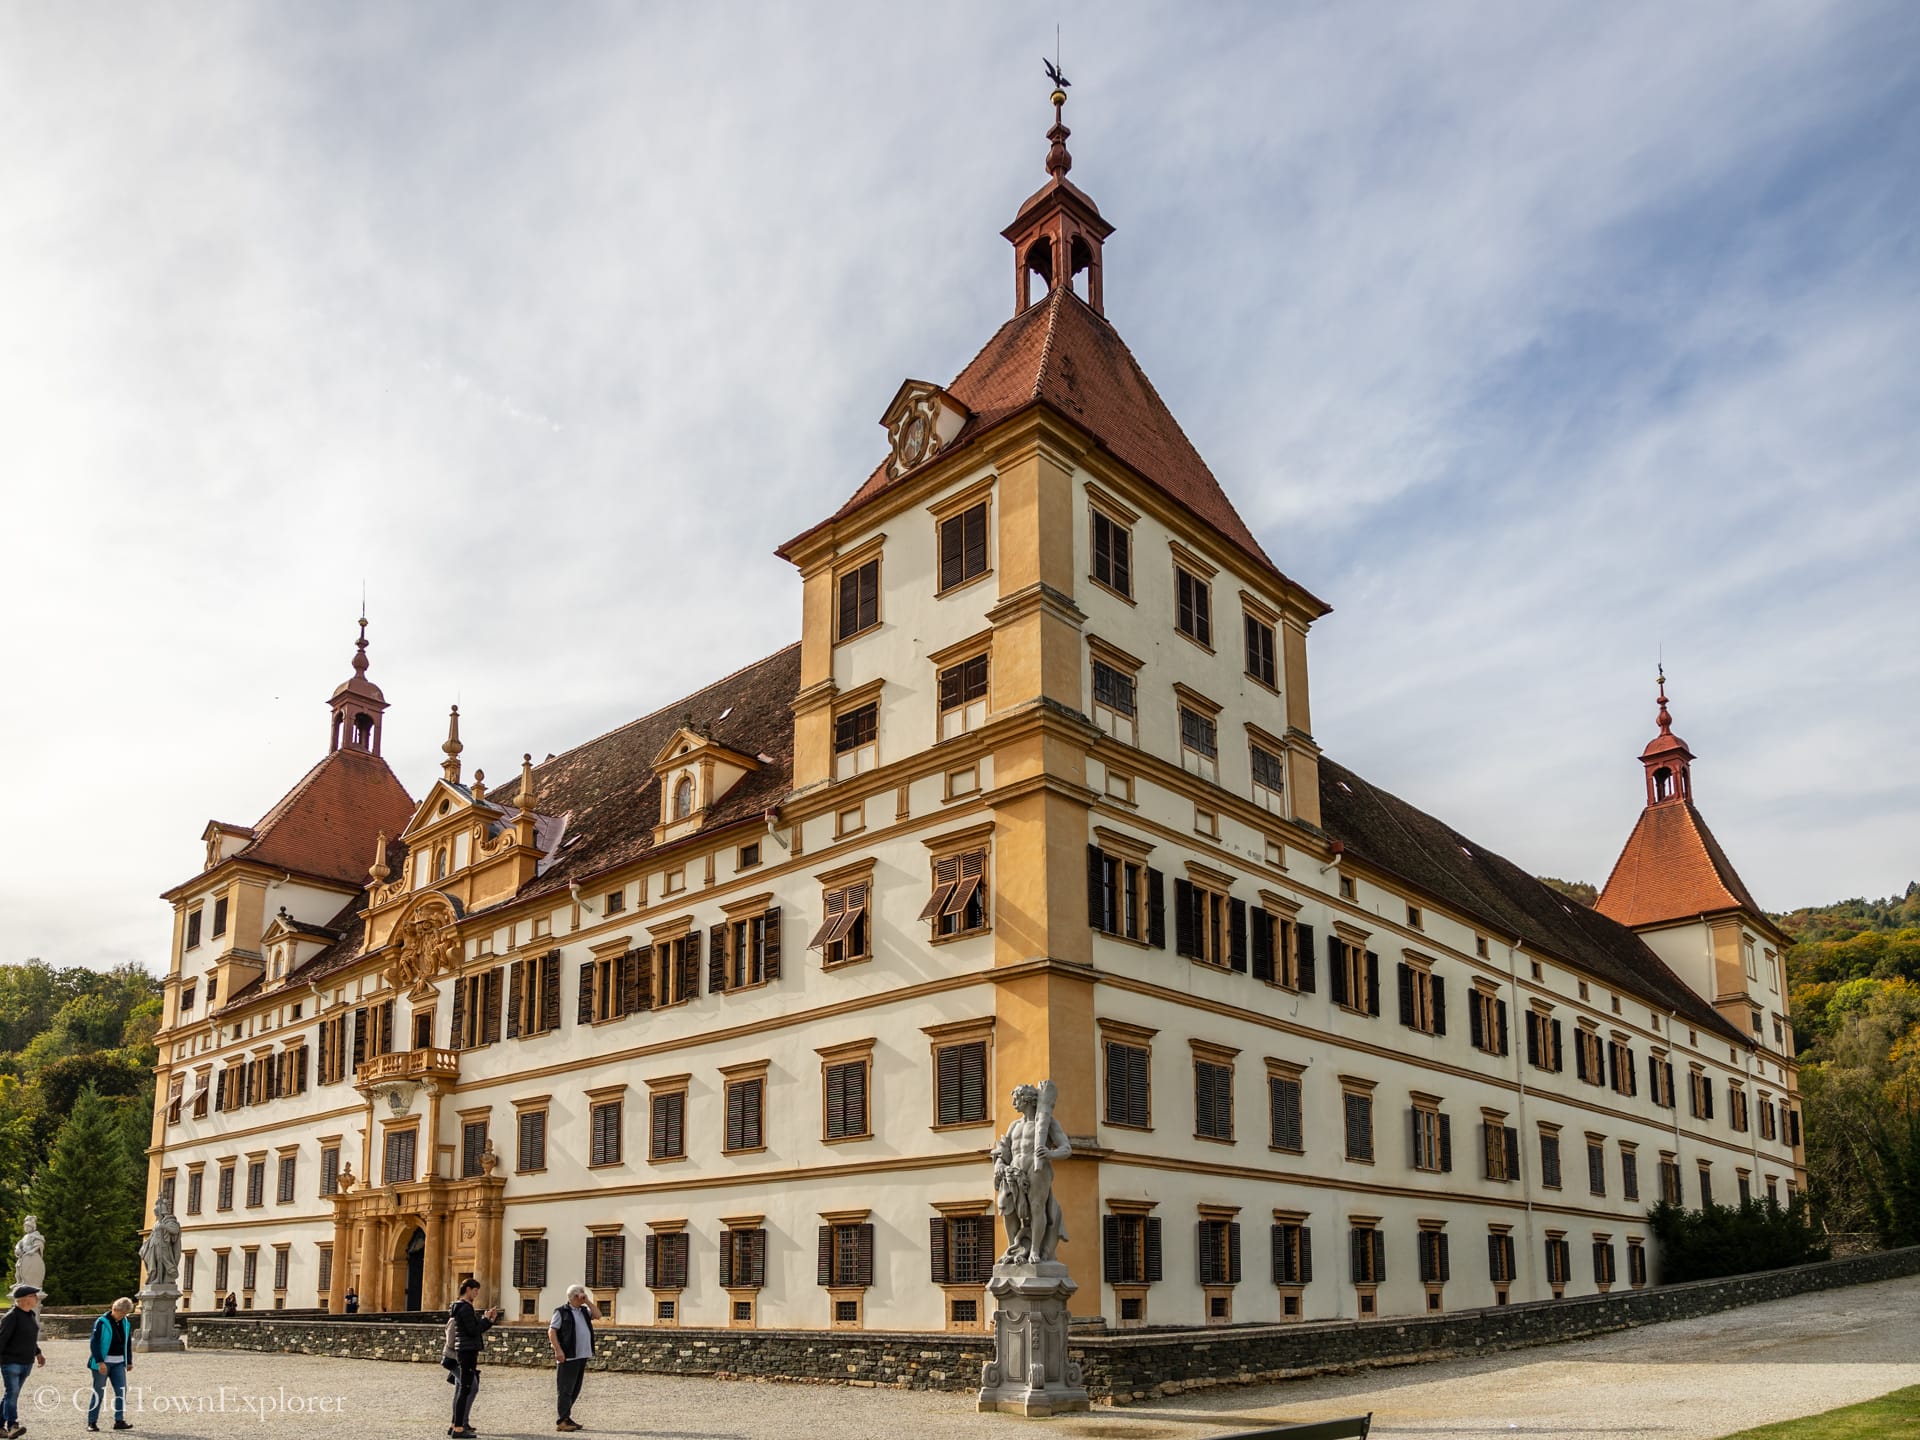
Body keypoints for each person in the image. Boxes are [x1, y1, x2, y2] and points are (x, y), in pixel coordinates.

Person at [444, 1278, 499, 1439]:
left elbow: (470, 1329)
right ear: (468, 1289)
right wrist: (487, 1320)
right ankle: (459, 1428)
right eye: (475, 1291)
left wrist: (487, 1321)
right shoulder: (466, 1307)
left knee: (463, 1389)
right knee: (466, 1389)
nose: (476, 1294)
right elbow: (473, 1331)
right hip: (467, 1351)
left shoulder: (458, 1307)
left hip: (464, 1350)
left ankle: (455, 1425)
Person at [547, 1285, 598, 1432]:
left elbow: (598, 1314)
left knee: (575, 1389)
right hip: (568, 1355)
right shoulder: (561, 1312)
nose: (584, 1295)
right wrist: (558, 1350)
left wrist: (587, 1302)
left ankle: (566, 1417)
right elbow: (552, 1332)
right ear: (575, 1296)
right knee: (565, 1390)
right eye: (582, 1293)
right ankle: (561, 1421)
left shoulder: (584, 1311)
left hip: (581, 1355)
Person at [0, 1284, 47, 1440]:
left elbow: (29, 1338)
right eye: (33, 1296)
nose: (36, 1298)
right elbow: (1, 1340)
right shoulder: (11, 1317)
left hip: (26, 1362)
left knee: (11, 1394)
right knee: (12, 1393)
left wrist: (38, 1352)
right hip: (11, 1362)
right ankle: (12, 1426)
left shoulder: (30, 1315)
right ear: (24, 1299)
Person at [86, 1297, 135, 1432]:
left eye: (126, 1314)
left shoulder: (125, 1322)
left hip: (119, 1363)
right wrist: (100, 1362)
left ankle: (119, 1421)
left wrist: (129, 1361)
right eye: (122, 1313)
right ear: (115, 1309)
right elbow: (94, 1343)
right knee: (99, 1392)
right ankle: (92, 1422)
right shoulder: (101, 1322)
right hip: (103, 1363)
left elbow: (127, 1343)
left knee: (121, 1391)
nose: (124, 1316)